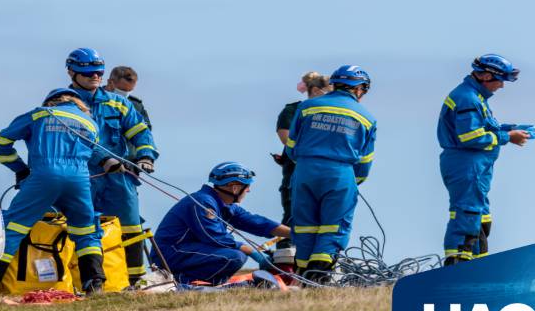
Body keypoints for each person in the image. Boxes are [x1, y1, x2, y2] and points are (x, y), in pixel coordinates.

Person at [0, 88, 106, 294]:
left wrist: (20, 169)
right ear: (79, 104)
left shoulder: (40, 114)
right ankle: (94, 284)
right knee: (86, 230)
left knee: (14, 227)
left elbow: (0, 142)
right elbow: (94, 152)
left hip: (44, 175)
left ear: (51, 102)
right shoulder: (90, 123)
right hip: (79, 179)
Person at [66, 48, 159, 286]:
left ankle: (134, 280)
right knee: (83, 228)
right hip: (81, 176)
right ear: (71, 72)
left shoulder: (118, 103)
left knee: (131, 226)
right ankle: (86, 281)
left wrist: (146, 156)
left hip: (120, 177)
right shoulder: (64, 104)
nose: (95, 76)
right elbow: (72, 139)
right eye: (88, 73)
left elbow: (141, 132)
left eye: (98, 72)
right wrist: (103, 160)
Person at [286, 65, 376, 281]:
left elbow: (291, 147)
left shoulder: (307, 107)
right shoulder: (366, 117)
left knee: (304, 226)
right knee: (334, 226)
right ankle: (318, 278)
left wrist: (306, 164)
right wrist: (353, 181)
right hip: (340, 174)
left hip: (305, 171)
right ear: (359, 89)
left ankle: (302, 277)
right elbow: (364, 163)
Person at [437, 54, 529, 265]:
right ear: (486, 76)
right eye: (501, 80)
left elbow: (483, 127)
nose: (501, 86)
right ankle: (457, 265)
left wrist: (509, 129)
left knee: (482, 218)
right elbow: (471, 137)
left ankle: (478, 266)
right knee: (467, 214)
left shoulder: (475, 97)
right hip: (466, 165)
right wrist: (508, 137)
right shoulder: (467, 98)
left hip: (475, 166)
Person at [150, 162, 291, 285]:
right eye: (247, 186)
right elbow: (215, 237)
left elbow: (256, 222)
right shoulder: (203, 202)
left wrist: (294, 234)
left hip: (186, 251)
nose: (249, 190)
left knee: (235, 255)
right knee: (234, 257)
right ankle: (180, 282)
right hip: (169, 254)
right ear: (235, 188)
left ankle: (207, 284)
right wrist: (252, 252)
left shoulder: (224, 204)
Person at [272, 72, 331, 248]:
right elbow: (286, 137)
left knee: (325, 214)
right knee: (294, 213)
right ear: (315, 90)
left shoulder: (335, 113)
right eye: (329, 92)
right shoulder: (293, 110)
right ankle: (286, 253)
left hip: (326, 172)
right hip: (297, 171)